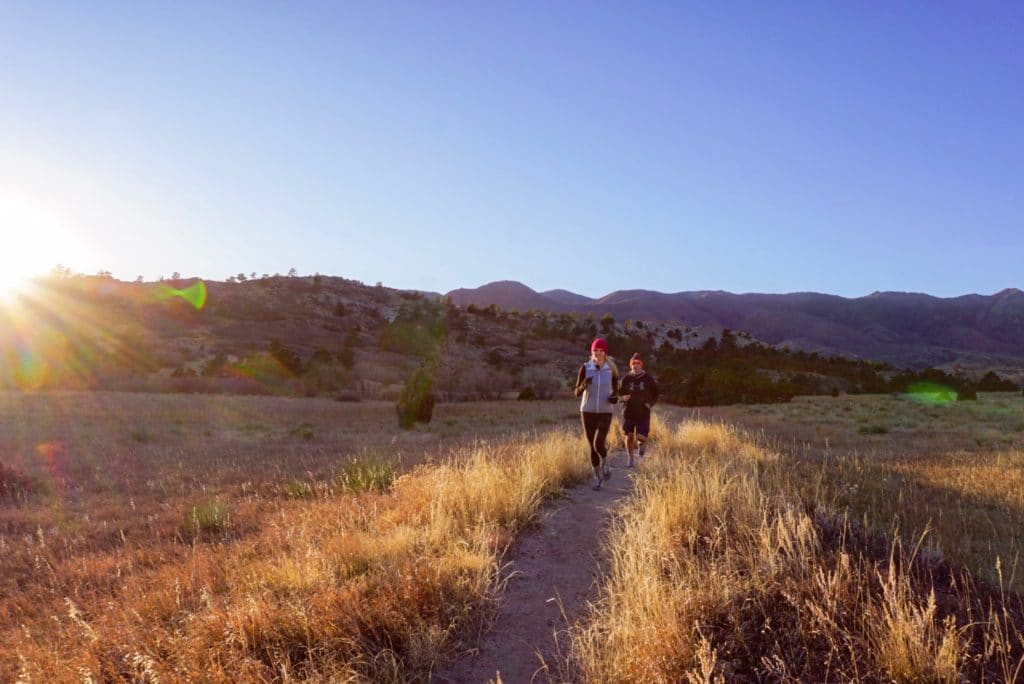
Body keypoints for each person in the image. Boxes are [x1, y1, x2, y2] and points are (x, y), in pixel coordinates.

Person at [574, 337, 619, 490]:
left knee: (598, 443)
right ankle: (597, 478)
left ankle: (606, 462)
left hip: (605, 411)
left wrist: (614, 398)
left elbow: (616, 393)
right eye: (595, 350)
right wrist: (583, 386)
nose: (598, 353)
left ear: (605, 352)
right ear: (591, 352)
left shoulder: (611, 369)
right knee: (591, 447)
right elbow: (576, 392)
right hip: (587, 411)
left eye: (601, 350)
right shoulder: (585, 368)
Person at [618, 352, 659, 467]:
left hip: (643, 412)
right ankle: (630, 458)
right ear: (631, 365)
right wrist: (622, 398)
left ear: (641, 365)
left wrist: (650, 403)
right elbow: (618, 393)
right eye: (633, 363)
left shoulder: (648, 379)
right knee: (629, 436)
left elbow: (656, 393)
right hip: (629, 412)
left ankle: (642, 444)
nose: (636, 365)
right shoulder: (626, 379)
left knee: (641, 436)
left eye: (638, 363)